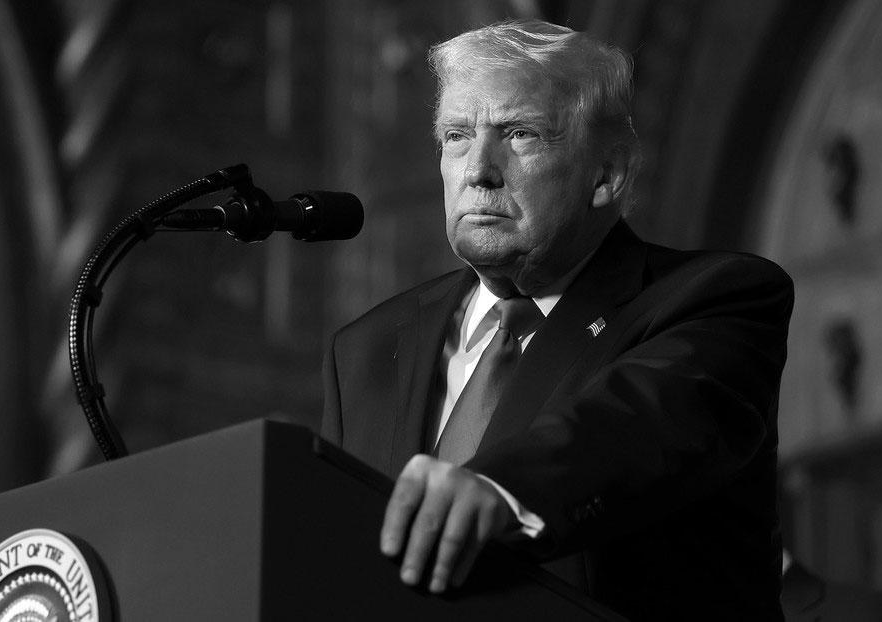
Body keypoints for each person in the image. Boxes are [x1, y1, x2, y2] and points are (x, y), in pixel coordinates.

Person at [321, 19, 794, 621]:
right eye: (457, 136)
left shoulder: (714, 299)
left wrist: (502, 489)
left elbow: (635, 423)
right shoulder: (366, 348)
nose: (478, 169)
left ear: (607, 175)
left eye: (520, 134)